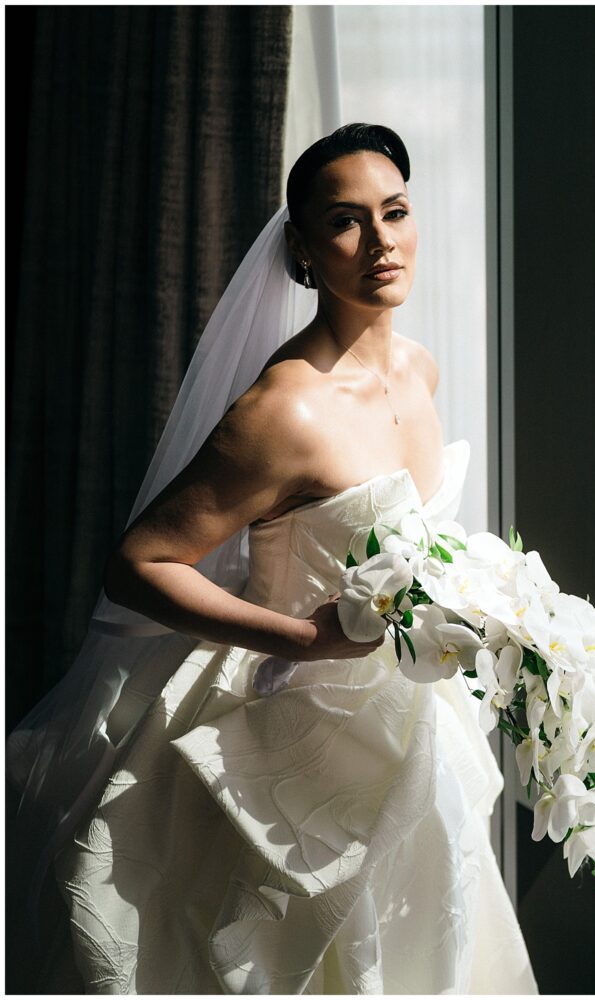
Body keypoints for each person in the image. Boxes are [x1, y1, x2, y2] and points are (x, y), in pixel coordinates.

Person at [7, 124, 539, 994]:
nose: (380, 242)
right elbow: (138, 563)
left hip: (410, 735)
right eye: (344, 222)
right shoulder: (284, 412)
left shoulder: (421, 372)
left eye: (394, 212)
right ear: (301, 251)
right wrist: (297, 637)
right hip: (286, 743)